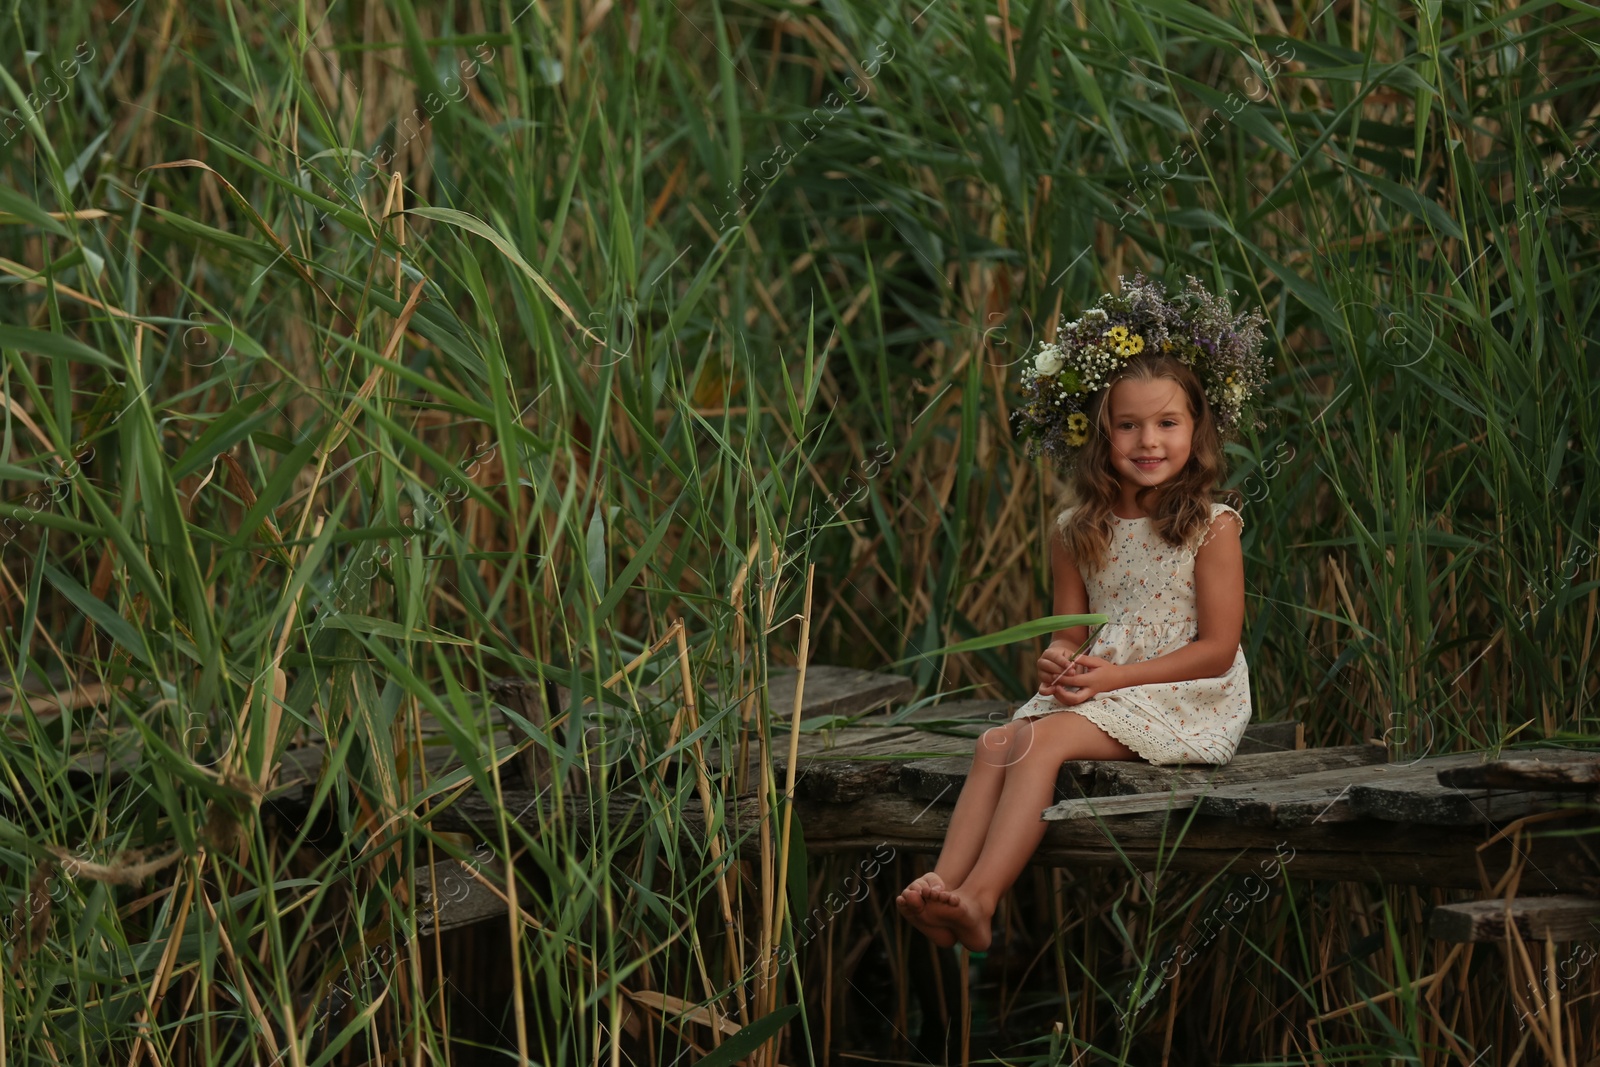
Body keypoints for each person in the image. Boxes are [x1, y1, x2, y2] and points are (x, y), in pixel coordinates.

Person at [894, 281, 1262, 952]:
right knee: (993, 743)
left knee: (1040, 739)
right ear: (1099, 430)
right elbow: (1068, 630)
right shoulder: (1075, 528)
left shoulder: (1213, 527)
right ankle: (941, 884)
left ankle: (980, 899)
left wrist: (1110, 682)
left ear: (1197, 428)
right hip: (1102, 684)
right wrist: (1059, 657)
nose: (1147, 440)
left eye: (1167, 423)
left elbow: (1217, 648)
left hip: (1187, 694)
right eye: (1128, 425)